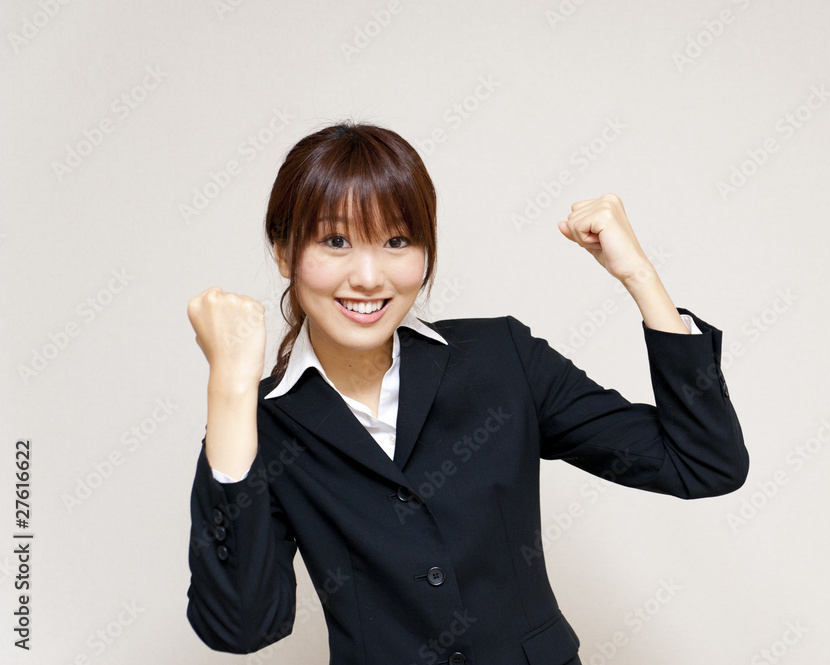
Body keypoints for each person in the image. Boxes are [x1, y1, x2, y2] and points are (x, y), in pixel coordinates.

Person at [184, 122, 749, 665]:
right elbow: (243, 625)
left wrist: (640, 277)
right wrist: (231, 390)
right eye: (335, 241)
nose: (368, 276)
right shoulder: (258, 426)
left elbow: (702, 464)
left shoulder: (501, 359)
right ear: (284, 252)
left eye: (396, 240)